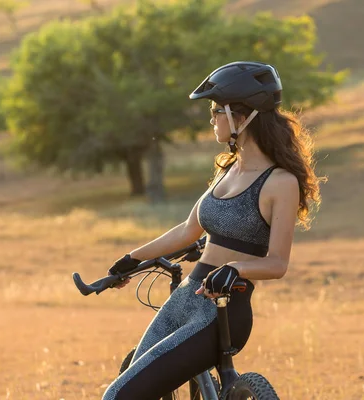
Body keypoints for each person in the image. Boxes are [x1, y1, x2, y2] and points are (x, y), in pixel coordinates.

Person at [101, 61, 323, 400]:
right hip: (184, 298)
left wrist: (234, 269)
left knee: (118, 396)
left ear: (242, 116)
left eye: (217, 110)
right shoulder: (228, 169)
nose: (212, 118)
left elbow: (277, 263)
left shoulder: (280, 183)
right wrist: (131, 259)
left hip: (221, 309)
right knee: (131, 388)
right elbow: (189, 229)